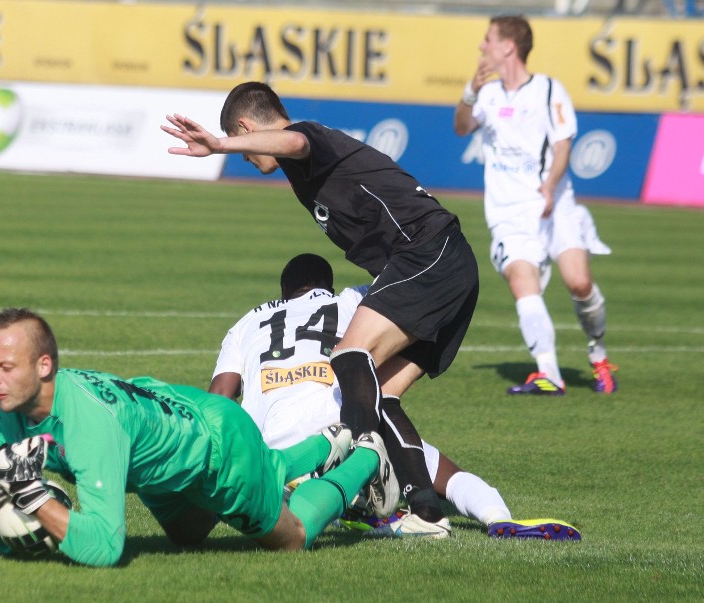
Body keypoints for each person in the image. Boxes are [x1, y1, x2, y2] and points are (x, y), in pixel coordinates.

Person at [163, 82, 481, 538]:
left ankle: (356, 468)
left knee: (350, 356)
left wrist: (219, 146)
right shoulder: (301, 174)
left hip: (428, 251)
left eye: (245, 149)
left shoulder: (310, 138)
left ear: (245, 128)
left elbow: (292, 139)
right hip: (443, 265)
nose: (248, 163)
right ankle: (426, 512)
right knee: (382, 393)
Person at [0, 307, 401, 567]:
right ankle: (329, 440)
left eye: (7, 368)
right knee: (188, 536)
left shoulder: (89, 425)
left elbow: (106, 548)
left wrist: (33, 497)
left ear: (45, 366)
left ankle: (366, 454)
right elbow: (10, 508)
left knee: (291, 539)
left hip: (220, 451)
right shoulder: (2, 422)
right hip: (166, 438)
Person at [209, 253, 581, 540]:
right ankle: (498, 517)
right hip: (351, 422)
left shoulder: (245, 323)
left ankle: (334, 497)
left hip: (275, 447)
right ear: (328, 284)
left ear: (283, 292)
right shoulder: (356, 299)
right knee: (438, 470)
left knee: (308, 479)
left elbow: (221, 398)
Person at [454, 15, 617, 396]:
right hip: (509, 213)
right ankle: (549, 375)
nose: (482, 47)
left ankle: (599, 353)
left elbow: (563, 145)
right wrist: (469, 94)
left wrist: (550, 184)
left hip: (555, 204)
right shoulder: (488, 93)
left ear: (508, 47)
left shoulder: (548, 90)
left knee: (579, 282)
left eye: (488, 40)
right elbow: (462, 127)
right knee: (521, 280)